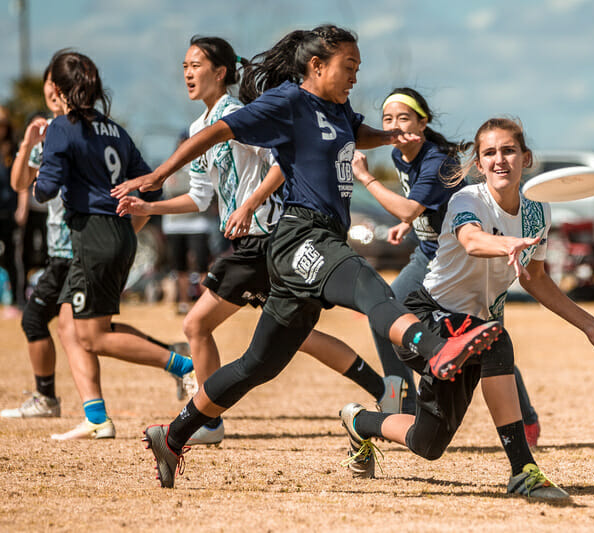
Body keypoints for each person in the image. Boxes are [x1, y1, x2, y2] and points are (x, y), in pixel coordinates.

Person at [113, 25, 502, 488]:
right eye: (349, 67)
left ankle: (172, 435)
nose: (356, 75)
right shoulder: (289, 103)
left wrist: (390, 137)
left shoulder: (337, 107)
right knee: (366, 284)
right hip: (301, 237)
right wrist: (158, 174)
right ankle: (436, 351)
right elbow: (218, 131)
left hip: (321, 237)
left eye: (358, 67)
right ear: (317, 66)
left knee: (259, 364)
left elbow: (355, 132)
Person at [118, 36, 404, 446]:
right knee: (290, 339)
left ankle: (206, 421)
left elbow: (284, 163)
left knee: (198, 324)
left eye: (196, 64)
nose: (187, 72)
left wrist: (250, 204)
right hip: (254, 241)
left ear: (221, 72)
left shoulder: (239, 115)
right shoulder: (199, 129)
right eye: (184, 65)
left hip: (271, 238)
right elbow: (200, 198)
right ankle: (384, 390)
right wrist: (150, 208)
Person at [338, 117, 594, 500]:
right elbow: (472, 239)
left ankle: (359, 421)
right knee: (497, 341)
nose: (500, 160)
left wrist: (589, 325)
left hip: (470, 331)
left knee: (428, 443)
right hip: (425, 321)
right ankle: (522, 471)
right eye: (489, 153)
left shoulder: (536, 213)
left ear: (526, 158)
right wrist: (506, 244)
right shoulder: (467, 199)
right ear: (478, 164)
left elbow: (536, 279)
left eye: (509, 150)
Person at [351, 87, 542, 446]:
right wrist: (407, 223)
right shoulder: (399, 155)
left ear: (422, 122)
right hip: (428, 251)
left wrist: (366, 178)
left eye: (404, 118)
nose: (395, 126)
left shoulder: (436, 159)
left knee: (485, 340)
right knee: (386, 314)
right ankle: (401, 401)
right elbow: (420, 206)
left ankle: (525, 418)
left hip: (454, 256)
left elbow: (410, 206)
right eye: (388, 119)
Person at [31, 51, 197, 439]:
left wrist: (38, 176)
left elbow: (46, 189)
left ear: (56, 88)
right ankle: (96, 417)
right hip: (118, 232)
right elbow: (148, 182)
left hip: (93, 234)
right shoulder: (116, 131)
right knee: (69, 324)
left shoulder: (61, 127)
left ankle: (183, 366)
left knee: (93, 335)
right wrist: (128, 227)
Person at [160, 130, 214, 315]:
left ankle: (204, 305)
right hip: (174, 226)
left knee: (201, 266)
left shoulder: (202, 165)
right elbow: (168, 188)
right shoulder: (170, 166)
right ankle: (184, 302)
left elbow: (202, 192)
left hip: (198, 225)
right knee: (179, 267)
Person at [0, 105, 23, 308]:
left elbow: (22, 183)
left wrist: (22, 208)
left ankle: (16, 300)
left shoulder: (14, 149)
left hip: (9, 211)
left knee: (12, 257)